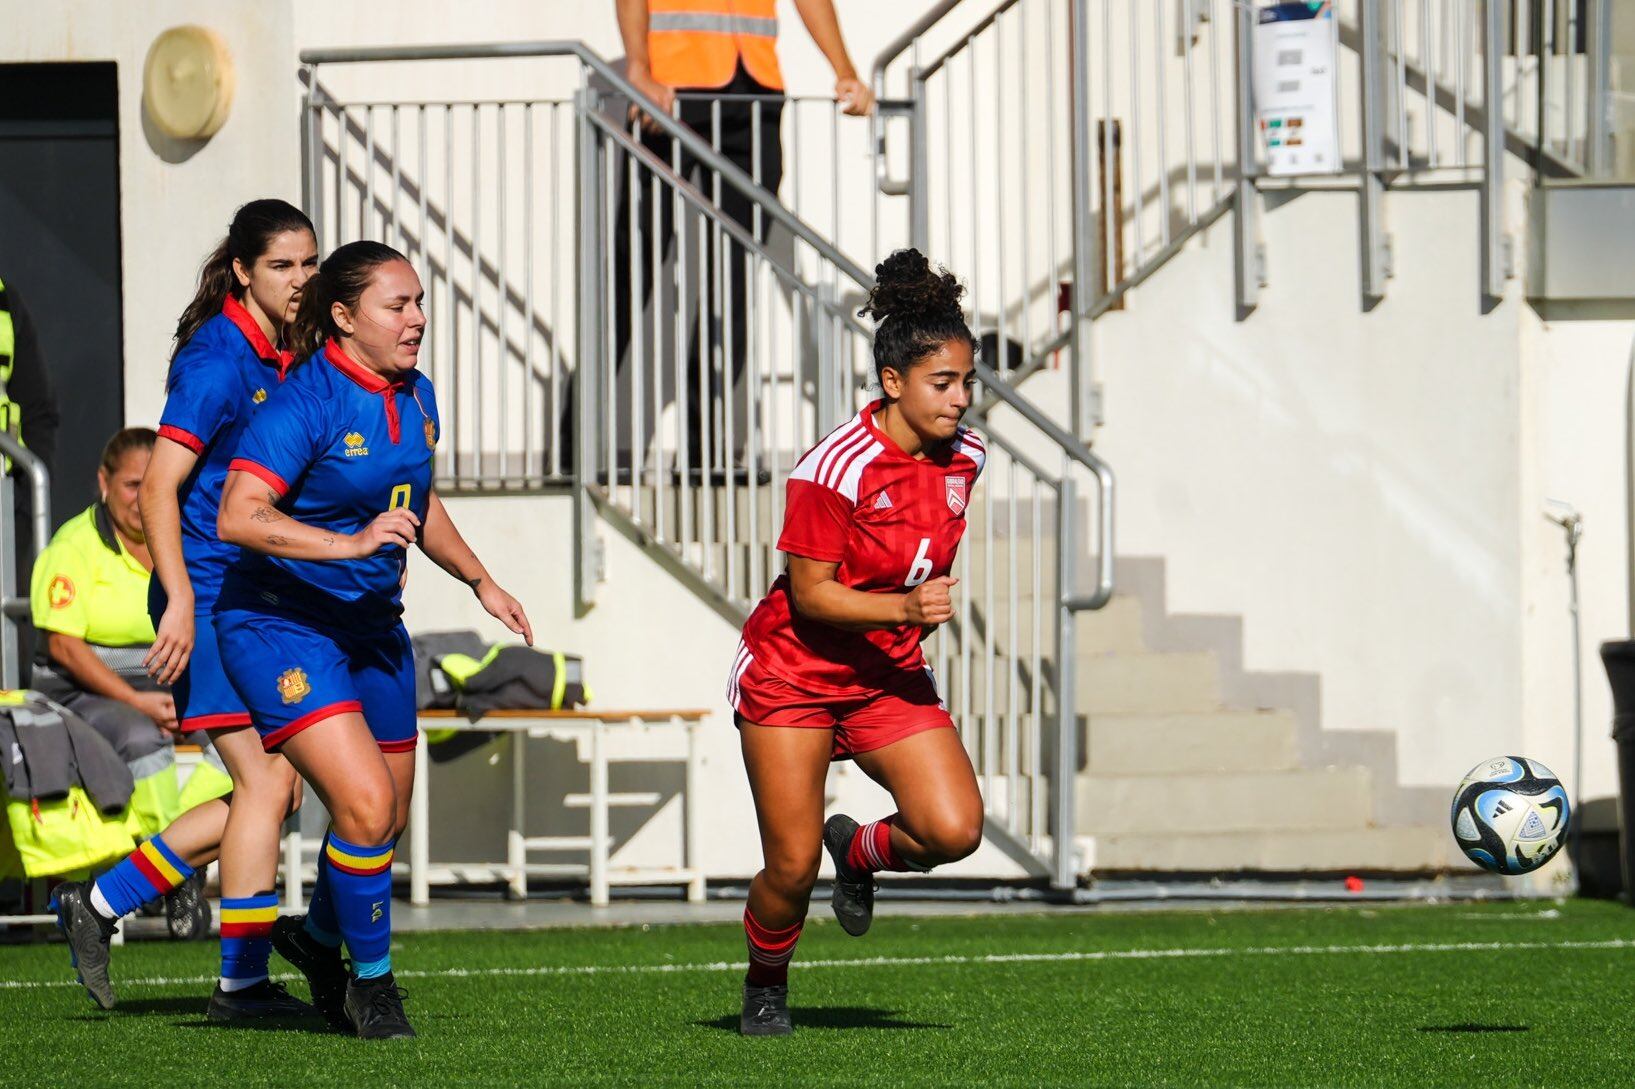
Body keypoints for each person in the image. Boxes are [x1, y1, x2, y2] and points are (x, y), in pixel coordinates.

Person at [214, 240, 532, 1039]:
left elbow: (416, 502)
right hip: (280, 623)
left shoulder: (416, 392)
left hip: (370, 628)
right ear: (346, 317)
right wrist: (349, 544)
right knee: (360, 804)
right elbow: (238, 514)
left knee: (382, 817)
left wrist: (480, 580)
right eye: (399, 306)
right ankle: (373, 985)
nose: (418, 319)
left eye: (420, 302)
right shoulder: (305, 400)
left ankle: (317, 942)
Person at [52, 199, 318, 1020]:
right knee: (266, 785)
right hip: (209, 597)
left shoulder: (286, 349)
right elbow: (162, 486)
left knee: (277, 790)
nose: (301, 281)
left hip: (254, 595)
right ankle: (240, 985)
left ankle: (97, 905)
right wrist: (180, 605)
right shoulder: (215, 359)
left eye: (310, 264)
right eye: (282, 266)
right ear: (242, 271)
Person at [726, 249, 986, 1035]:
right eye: (942, 383)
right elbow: (809, 594)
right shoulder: (831, 466)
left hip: (884, 675)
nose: (959, 400)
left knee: (952, 830)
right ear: (892, 381)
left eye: (967, 382)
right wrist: (905, 607)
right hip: (791, 674)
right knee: (791, 865)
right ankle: (766, 984)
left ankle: (862, 851)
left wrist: (902, 621)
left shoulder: (966, 458)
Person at [562, 0, 874, 473]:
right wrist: (640, 70)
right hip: (669, 93)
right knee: (633, 271)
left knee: (731, 279)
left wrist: (844, 69)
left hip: (754, 94)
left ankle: (706, 455)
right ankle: (576, 451)